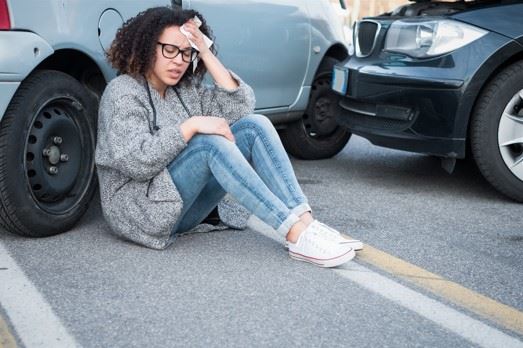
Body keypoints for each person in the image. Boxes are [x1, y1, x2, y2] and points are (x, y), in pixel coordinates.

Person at [95, 6, 363, 268]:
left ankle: (305, 222)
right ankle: (293, 231)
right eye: (170, 49)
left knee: (254, 125)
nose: (178, 60)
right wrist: (190, 126)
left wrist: (206, 53)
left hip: (182, 206)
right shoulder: (122, 93)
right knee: (208, 144)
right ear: (147, 46)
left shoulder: (183, 91)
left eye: (187, 53)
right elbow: (136, 162)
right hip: (141, 212)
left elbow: (240, 108)